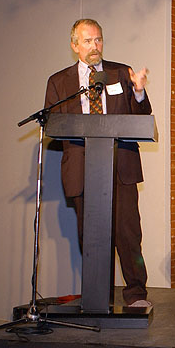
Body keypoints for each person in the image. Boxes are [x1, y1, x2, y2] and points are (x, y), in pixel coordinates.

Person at [44, 19, 152, 307]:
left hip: (120, 167)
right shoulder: (59, 82)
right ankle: (99, 297)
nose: (95, 46)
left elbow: (141, 117)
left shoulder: (121, 73)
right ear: (74, 45)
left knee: (128, 234)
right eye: (88, 41)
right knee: (89, 238)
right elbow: (53, 125)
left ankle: (136, 296)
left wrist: (139, 92)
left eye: (99, 40)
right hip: (82, 168)